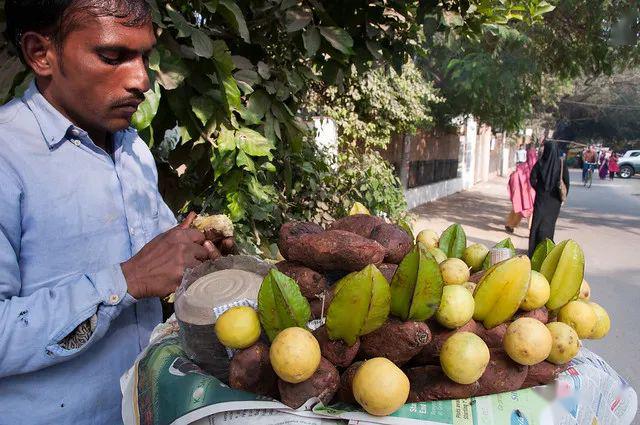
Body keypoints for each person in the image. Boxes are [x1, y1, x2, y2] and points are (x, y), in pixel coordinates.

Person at [0, 2, 232, 423]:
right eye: (113, 56)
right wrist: (126, 281)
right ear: (41, 54)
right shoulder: (6, 158)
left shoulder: (131, 150)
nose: (141, 79)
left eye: (144, 55)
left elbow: (158, 254)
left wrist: (199, 252)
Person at [528, 140, 570, 257]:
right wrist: (561, 198)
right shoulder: (561, 164)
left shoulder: (540, 163)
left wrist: (539, 189)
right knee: (549, 225)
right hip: (554, 201)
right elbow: (566, 183)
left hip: (541, 199)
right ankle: (547, 251)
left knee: (537, 224)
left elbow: (532, 179)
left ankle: (533, 251)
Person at [505, 144, 537, 233]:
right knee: (531, 209)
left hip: (521, 193)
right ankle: (531, 228)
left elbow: (514, 178)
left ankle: (510, 224)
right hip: (531, 192)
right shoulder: (537, 166)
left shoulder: (521, 167)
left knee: (518, 207)